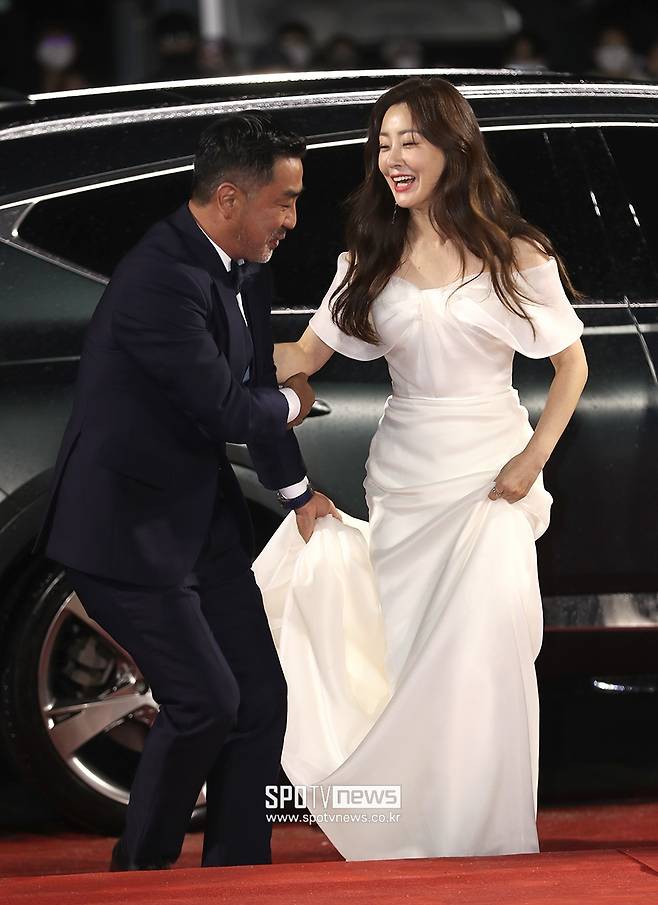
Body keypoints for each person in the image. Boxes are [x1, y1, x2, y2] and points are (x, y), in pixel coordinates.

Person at [261, 76, 588, 860]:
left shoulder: (515, 251)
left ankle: (489, 833)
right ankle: (419, 826)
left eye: (410, 140)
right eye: (383, 144)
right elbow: (303, 354)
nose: (393, 158)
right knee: (415, 661)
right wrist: (213, 354)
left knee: (487, 648)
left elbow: (572, 366)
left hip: (493, 479)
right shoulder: (368, 258)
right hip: (406, 480)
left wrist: (531, 458)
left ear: (452, 147)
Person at [36, 113, 336, 870]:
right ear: (230, 198)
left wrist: (299, 492)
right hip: (125, 533)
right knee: (206, 703)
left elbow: (254, 381)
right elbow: (229, 409)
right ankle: (141, 869)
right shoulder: (159, 279)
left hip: (200, 523)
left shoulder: (246, 268)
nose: (293, 221)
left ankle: (236, 873)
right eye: (285, 202)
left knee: (260, 702)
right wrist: (298, 400)